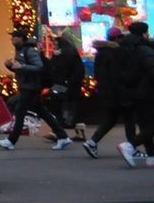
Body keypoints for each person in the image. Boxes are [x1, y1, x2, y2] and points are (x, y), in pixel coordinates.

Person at [0, 29, 71, 151]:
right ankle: (63, 136)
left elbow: (39, 67)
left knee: (19, 112)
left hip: (30, 87)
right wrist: (10, 66)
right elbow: (21, 70)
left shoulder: (29, 51)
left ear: (21, 39)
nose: (12, 39)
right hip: (28, 86)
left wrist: (22, 66)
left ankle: (11, 141)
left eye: (15, 37)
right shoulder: (20, 50)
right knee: (43, 112)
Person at [84, 27, 137, 159]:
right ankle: (131, 147)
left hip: (105, 91)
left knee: (112, 118)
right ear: (117, 38)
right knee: (128, 118)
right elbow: (116, 76)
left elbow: (99, 74)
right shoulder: (115, 53)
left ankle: (92, 142)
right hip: (116, 92)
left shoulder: (101, 53)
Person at [120, 21, 154, 168]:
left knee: (145, 124)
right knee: (150, 125)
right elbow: (151, 69)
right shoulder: (144, 49)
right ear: (144, 33)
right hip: (147, 91)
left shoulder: (124, 47)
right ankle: (130, 145)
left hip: (132, 91)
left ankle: (151, 156)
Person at [45, 31, 86, 136]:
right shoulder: (71, 51)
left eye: (55, 43)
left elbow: (57, 69)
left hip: (62, 84)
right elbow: (79, 69)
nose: (54, 45)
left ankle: (59, 131)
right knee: (72, 106)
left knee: (59, 105)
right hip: (72, 83)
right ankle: (78, 132)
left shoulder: (61, 53)